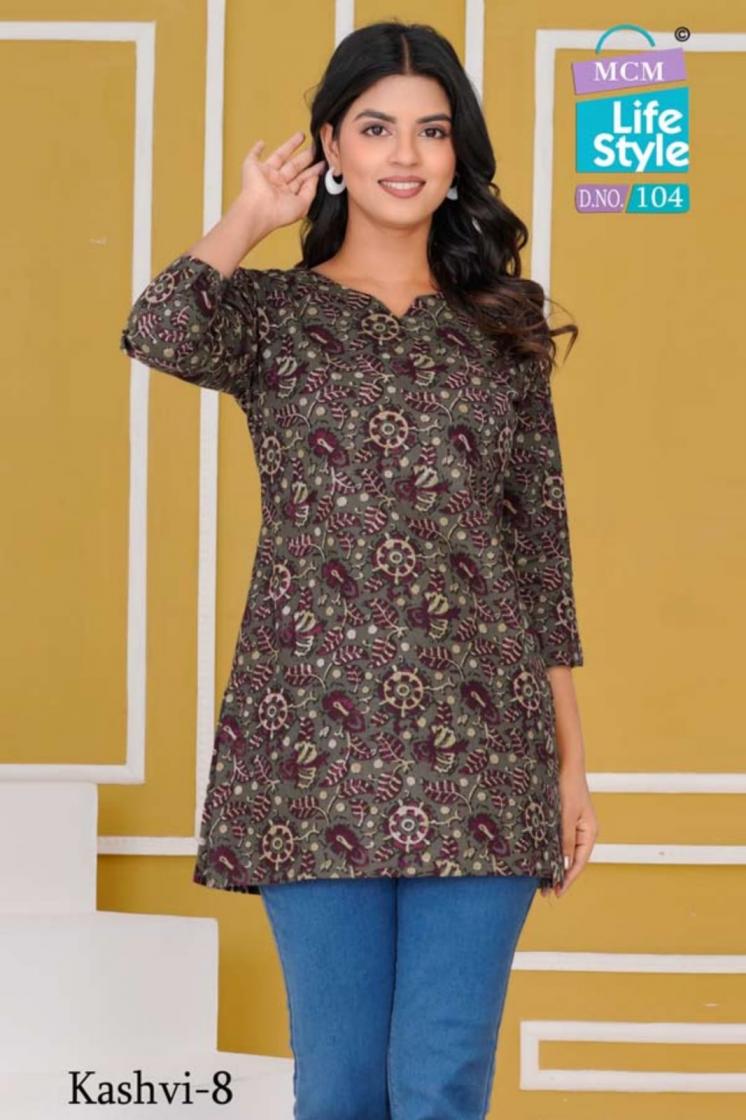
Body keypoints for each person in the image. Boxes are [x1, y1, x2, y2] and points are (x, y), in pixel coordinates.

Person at [120, 19, 599, 1120]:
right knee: (337, 1089)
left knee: (439, 1085)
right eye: (376, 128)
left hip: (484, 749)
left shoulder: (503, 323)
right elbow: (159, 329)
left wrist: (571, 765)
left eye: (431, 130)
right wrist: (250, 215)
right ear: (331, 145)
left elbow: (539, 552)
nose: (405, 154)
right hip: (311, 745)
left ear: (457, 152)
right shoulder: (274, 316)